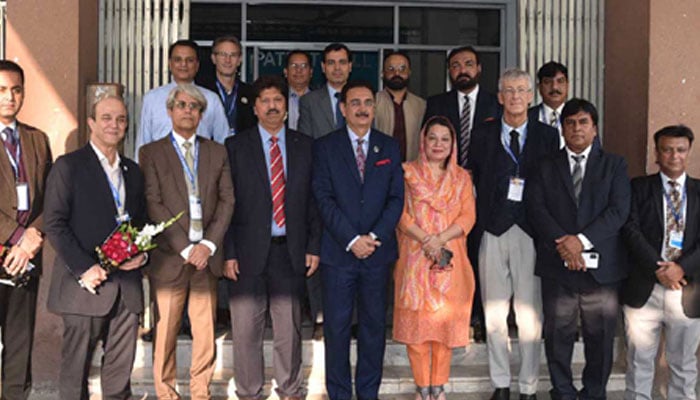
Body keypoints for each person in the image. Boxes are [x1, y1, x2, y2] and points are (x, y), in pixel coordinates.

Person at [223, 75, 321, 400]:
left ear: (286, 105)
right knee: (246, 330)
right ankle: (249, 392)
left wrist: (312, 247)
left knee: (288, 331)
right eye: (264, 100)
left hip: (289, 251)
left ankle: (290, 390)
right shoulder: (236, 147)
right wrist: (229, 252)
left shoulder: (305, 146)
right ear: (255, 108)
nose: (272, 106)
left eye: (277, 99)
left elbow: (313, 202)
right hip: (247, 253)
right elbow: (227, 204)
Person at [44, 94, 147, 399]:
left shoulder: (133, 171)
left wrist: (141, 254)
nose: (114, 125)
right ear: (90, 123)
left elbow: (141, 222)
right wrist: (84, 268)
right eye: (106, 118)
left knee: (119, 376)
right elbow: (55, 224)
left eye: (121, 119)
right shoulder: (69, 167)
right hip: (85, 288)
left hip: (127, 288)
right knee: (75, 375)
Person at [527, 98, 630, 400]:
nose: (576, 128)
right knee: (558, 335)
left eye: (583, 122)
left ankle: (594, 393)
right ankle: (562, 391)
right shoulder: (545, 166)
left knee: (600, 339)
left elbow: (618, 211)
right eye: (570, 123)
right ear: (562, 128)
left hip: (602, 269)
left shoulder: (614, 165)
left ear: (595, 129)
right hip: (558, 266)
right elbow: (536, 209)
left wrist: (580, 242)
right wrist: (565, 245)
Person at [467, 68, 559, 400]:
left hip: (532, 232)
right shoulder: (482, 134)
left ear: (531, 96)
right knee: (494, 312)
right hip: (493, 230)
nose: (516, 96)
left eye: (522, 90)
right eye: (509, 90)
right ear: (500, 96)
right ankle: (501, 384)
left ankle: (529, 387)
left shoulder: (548, 136)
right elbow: (472, 180)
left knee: (530, 313)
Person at [139, 84, 235, 399]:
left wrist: (207, 246)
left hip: (206, 258)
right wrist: (185, 247)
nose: (188, 111)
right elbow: (153, 203)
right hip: (171, 256)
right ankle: (166, 393)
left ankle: (200, 391)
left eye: (194, 107)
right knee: (165, 332)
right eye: (181, 105)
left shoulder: (217, 151)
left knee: (205, 332)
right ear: (170, 111)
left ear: (201, 114)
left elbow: (227, 201)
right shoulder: (151, 152)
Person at [312, 80, 404, 400]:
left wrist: (374, 237)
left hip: (378, 254)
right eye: (355, 103)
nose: (362, 108)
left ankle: (368, 393)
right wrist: (352, 239)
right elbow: (322, 199)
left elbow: (396, 199)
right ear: (343, 108)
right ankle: (338, 394)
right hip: (339, 254)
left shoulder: (389, 147)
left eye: (367, 102)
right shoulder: (324, 147)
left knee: (373, 328)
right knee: (336, 330)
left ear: (374, 107)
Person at [423, 45, 501, 342]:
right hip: (445, 192)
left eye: (468, 64)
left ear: (479, 68)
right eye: (455, 65)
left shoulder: (496, 104)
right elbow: (429, 147)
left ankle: (479, 315)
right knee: (451, 251)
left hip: (485, 190)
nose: (462, 69)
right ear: (449, 72)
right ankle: (449, 311)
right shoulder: (437, 103)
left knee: (479, 253)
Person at [393, 116, 475, 400]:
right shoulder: (405, 174)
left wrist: (439, 240)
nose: (438, 144)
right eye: (433, 138)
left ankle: (438, 386)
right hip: (415, 257)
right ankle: (422, 386)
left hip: (449, 258)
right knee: (417, 328)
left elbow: (468, 216)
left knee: (443, 326)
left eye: (445, 139)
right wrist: (425, 239)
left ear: (453, 144)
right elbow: (400, 214)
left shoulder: (462, 178)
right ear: (422, 141)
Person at [622, 125, 700, 400]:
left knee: (683, 365)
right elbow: (630, 230)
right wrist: (659, 268)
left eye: (680, 150)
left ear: (688, 152)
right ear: (657, 152)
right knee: (639, 363)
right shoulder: (639, 187)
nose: (674, 156)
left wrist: (681, 267)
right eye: (667, 149)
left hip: (686, 289)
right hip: (646, 286)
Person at [0, 60, 52, 399]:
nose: (10, 97)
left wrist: (33, 237)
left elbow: (50, 198)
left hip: (27, 259)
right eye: (2, 90)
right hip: (7, 247)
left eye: (16, 90)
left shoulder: (36, 139)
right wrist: (18, 238)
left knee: (20, 342)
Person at [136, 39, 229, 155]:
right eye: (178, 60)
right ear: (170, 64)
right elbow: (143, 143)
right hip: (160, 169)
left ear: (197, 65)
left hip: (201, 168)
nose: (183, 64)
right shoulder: (152, 98)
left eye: (189, 60)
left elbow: (223, 142)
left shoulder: (211, 99)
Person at [197, 35, 257, 136]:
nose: (228, 60)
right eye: (223, 54)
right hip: (210, 149)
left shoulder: (250, 92)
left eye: (233, 55)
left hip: (241, 149)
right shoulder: (201, 91)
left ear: (239, 60)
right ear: (214, 58)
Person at [375, 51, 426, 162]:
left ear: (409, 73)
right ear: (383, 73)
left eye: (402, 69)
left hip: (412, 171)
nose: (397, 73)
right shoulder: (373, 102)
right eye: (391, 69)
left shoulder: (421, 105)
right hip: (379, 169)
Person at [298, 43, 352, 139]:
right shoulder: (309, 101)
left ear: (350, 66)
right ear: (323, 67)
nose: (337, 68)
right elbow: (304, 142)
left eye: (342, 62)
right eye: (331, 63)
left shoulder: (363, 99)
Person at [528, 61, 569, 147]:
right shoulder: (527, 117)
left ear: (567, 85)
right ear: (539, 87)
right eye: (548, 82)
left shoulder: (578, 117)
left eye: (560, 81)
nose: (554, 87)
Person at [284, 49, 313, 130]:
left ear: (311, 72)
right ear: (285, 72)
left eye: (304, 66)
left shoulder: (319, 99)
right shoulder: (279, 97)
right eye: (294, 66)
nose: (299, 70)